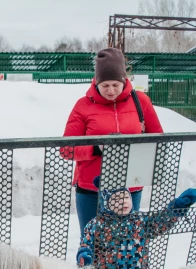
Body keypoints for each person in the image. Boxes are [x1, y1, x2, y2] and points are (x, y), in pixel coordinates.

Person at [60, 48, 164, 238]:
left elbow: (157, 137)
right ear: (96, 82)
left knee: (127, 242)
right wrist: (96, 148)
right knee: (92, 243)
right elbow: (66, 149)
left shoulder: (141, 102)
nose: (111, 90)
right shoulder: (83, 106)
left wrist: (138, 148)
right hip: (92, 189)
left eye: (116, 84)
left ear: (124, 80)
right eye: (105, 85)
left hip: (130, 188)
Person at [77, 176, 196, 269]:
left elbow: (160, 222)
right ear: (106, 202)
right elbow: (86, 244)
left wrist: (177, 208)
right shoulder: (96, 225)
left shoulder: (140, 220)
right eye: (117, 199)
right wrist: (84, 256)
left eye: (126, 197)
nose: (123, 202)